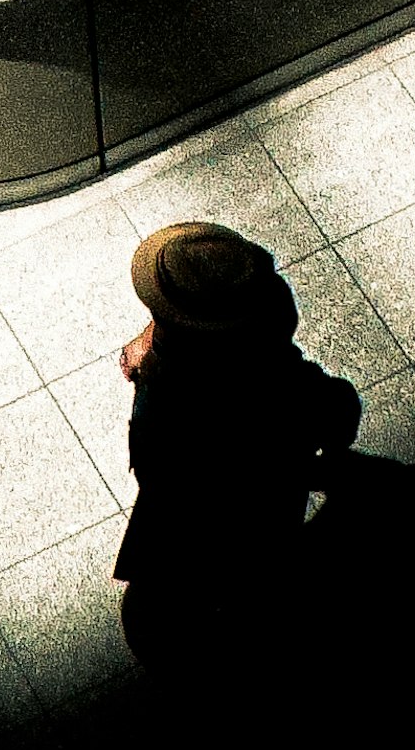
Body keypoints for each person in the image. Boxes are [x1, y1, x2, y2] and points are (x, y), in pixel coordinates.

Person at [112, 224, 362, 675]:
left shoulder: (204, 395)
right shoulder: (254, 352)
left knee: (223, 582)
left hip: (214, 516)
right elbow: (339, 418)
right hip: (237, 506)